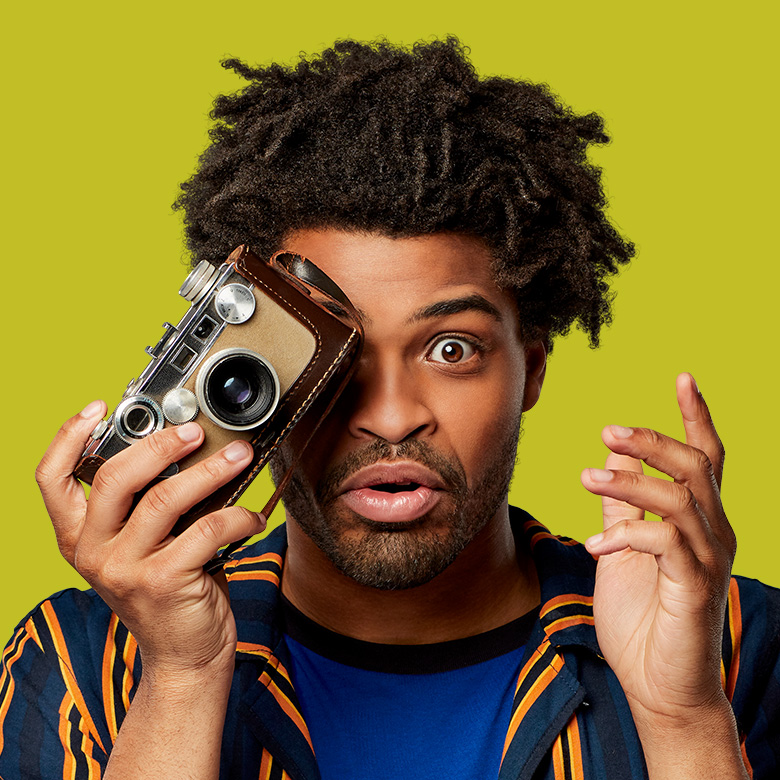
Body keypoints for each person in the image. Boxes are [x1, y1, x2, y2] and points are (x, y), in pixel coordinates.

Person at [1, 38, 777, 780]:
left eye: (451, 349)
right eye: (332, 359)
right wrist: (181, 677)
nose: (392, 416)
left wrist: (683, 718)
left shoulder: (734, 645)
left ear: (532, 367)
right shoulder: (82, 659)